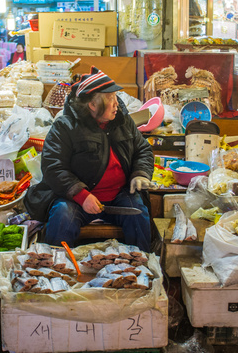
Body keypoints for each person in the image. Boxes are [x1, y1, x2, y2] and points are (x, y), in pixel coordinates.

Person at [24, 67, 154, 251]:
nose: (116, 103)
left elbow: (142, 149)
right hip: (78, 199)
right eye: (110, 99)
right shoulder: (65, 126)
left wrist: (140, 174)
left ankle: (142, 268)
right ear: (92, 105)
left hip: (119, 195)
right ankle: (54, 267)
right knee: (62, 216)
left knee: (139, 214)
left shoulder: (123, 122)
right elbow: (53, 167)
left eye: (116, 97)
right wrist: (81, 195)